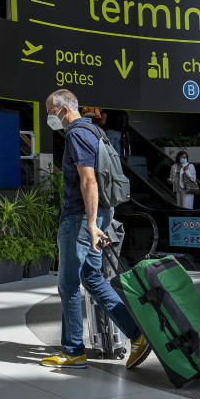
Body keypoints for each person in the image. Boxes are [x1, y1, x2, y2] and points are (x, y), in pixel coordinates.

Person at [40, 89, 151, 370]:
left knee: (68, 284)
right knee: (93, 279)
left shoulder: (76, 134)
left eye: (50, 112)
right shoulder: (94, 131)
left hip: (80, 219)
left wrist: (89, 224)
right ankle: (137, 336)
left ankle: (73, 351)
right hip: (97, 216)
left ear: (63, 110)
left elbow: (89, 181)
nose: (48, 117)